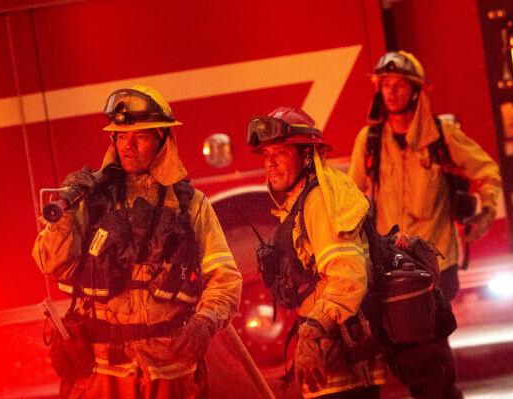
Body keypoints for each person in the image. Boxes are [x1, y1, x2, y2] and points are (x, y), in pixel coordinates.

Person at [33, 84, 242, 399]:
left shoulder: (191, 205)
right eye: (121, 136)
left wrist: (204, 322)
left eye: (141, 136)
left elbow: (225, 279)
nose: (128, 146)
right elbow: (49, 262)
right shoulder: (89, 201)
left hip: (168, 368)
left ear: (163, 142)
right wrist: (62, 217)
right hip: (103, 370)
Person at [348, 51, 502, 399]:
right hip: (393, 269)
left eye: (398, 85)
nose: (390, 92)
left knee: (427, 350)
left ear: (416, 91)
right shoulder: (369, 141)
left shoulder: (443, 137)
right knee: (406, 352)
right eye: (385, 85)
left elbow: (488, 172)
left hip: (436, 265)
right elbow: (352, 197)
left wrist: (485, 212)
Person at [247, 107, 386, 399]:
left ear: (307, 155)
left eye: (281, 154)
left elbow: (347, 276)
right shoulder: (303, 199)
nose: (270, 164)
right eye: (266, 155)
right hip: (331, 349)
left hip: (340, 353)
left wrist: (311, 331)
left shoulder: (319, 201)